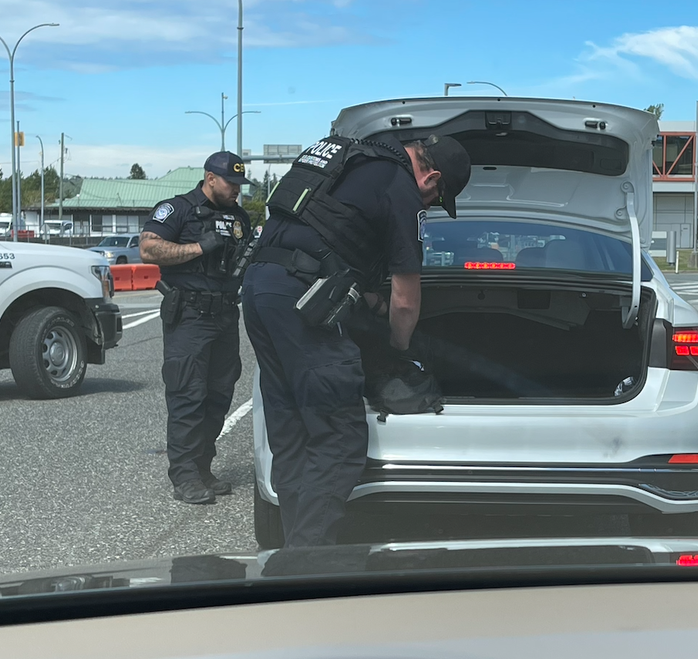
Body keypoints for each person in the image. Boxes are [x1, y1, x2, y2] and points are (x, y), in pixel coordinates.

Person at [241, 134, 471, 546]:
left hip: (261, 288)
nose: (430, 205)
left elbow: (328, 238)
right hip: (302, 303)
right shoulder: (400, 186)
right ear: (432, 176)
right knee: (339, 439)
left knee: (292, 430)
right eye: (437, 198)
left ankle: (289, 549)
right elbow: (405, 301)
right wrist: (398, 353)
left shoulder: (349, 159)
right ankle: (308, 562)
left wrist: (367, 300)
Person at [141, 151, 253, 505]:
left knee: (218, 396)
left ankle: (203, 467)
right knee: (187, 395)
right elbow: (148, 249)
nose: (237, 190)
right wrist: (197, 247)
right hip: (188, 315)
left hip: (224, 315)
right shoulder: (178, 209)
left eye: (239, 184)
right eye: (230, 183)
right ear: (209, 179)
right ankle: (185, 475)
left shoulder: (238, 217)